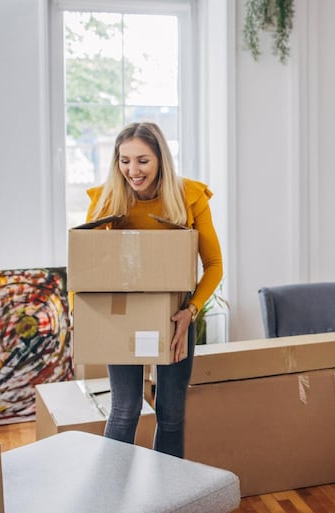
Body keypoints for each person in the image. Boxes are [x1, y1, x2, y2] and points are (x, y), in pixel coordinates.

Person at [85, 121, 223, 457]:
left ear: (161, 158)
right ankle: (112, 499)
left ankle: (168, 500)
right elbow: (88, 267)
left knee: (171, 414)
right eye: (125, 160)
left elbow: (214, 266)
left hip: (175, 319)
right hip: (124, 317)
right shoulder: (107, 201)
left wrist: (190, 313)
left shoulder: (189, 198)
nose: (133, 170)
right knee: (125, 409)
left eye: (142, 160)